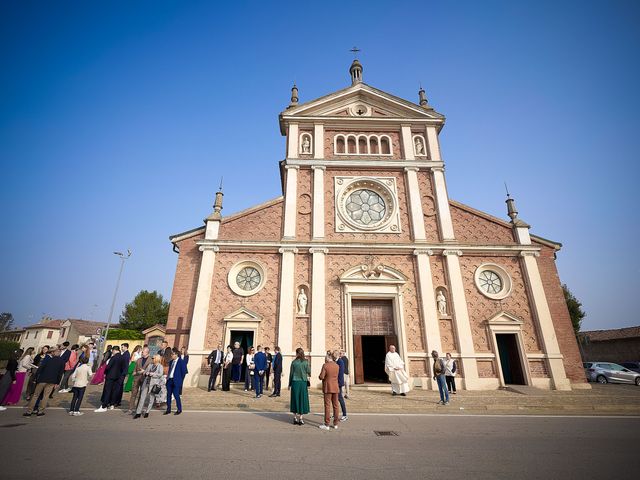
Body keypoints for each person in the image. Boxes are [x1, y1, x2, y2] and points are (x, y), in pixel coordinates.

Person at [23, 348, 65, 417]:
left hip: (42, 379)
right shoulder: (62, 362)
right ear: (60, 353)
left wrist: (36, 378)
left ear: (54, 353)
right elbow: (60, 373)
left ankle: (29, 411)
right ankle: (40, 411)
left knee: (35, 395)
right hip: (52, 381)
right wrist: (57, 383)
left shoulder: (47, 359)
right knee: (46, 396)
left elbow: (40, 368)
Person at [95, 345, 127, 412]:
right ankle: (112, 404)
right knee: (114, 391)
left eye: (112, 351)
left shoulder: (113, 358)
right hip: (118, 377)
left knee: (107, 391)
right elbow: (124, 369)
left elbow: (108, 367)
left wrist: (105, 372)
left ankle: (104, 406)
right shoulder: (122, 358)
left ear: (114, 350)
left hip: (110, 376)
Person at [134, 354, 164, 419]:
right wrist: (145, 372)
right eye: (152, 358)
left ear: (157, 359)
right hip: (146, 383)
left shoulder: (160, 366)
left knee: (151, 399)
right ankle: (138, 412)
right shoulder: (150, 365)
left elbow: (160, 374)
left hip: (153, 385)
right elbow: (145, 372)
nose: (152, 359)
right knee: (142, 397)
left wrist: (153, 374)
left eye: (153, 358)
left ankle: (147, 412)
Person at [319, 352, 340, 431]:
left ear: (328, 358)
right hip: (335, 386)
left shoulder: (325, 365)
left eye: (325, 358)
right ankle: (335, 424)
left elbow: (322, 376)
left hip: (328, 387)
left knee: (327, 406)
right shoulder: (337, 366)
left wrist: (320, 377)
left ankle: (327, 424)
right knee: (336, 406)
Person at [289, 347, 310, 425]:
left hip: (295, 382)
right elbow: (309, 372)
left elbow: (291, 374)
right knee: (302, 399)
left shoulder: (294, 362)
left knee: (295, 399)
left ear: (297, 353)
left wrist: (289, 384)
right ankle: (300, 418)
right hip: (303, 383)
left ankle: (294, 418)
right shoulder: (305, 362)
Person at [128, 347, 151, 413]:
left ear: (147, 352)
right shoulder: (139, 360)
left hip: (145, 379)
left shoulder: (151, 360)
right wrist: (135, 372)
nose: (142, 352)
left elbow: (151, 370)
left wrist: (144, 371)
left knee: (142, 395)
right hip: (137, 378)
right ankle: (131, 408)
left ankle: (139, 408)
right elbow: (135, 369)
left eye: (143, 351)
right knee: (134, 393)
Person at [165, 348, 187, 415]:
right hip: (170, 380)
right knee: (168, 395)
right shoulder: (171, 362)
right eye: (171, 354)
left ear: (176, 354)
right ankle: (168, 409)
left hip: (177, 381)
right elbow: (170, 371)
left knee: (176, 395)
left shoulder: (181, 361)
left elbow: (184, 372)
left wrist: (180, 380)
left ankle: (179, 409)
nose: (171, 355)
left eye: (173, 354)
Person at [335, 349, 348, 422]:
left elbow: (340, 374)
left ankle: (345, 415)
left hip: (338, 383)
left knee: (340, 398)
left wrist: (338, 383)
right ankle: (335, 413)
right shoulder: (337, 361)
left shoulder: (340, 361)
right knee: (335, 399)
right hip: (336, 383)